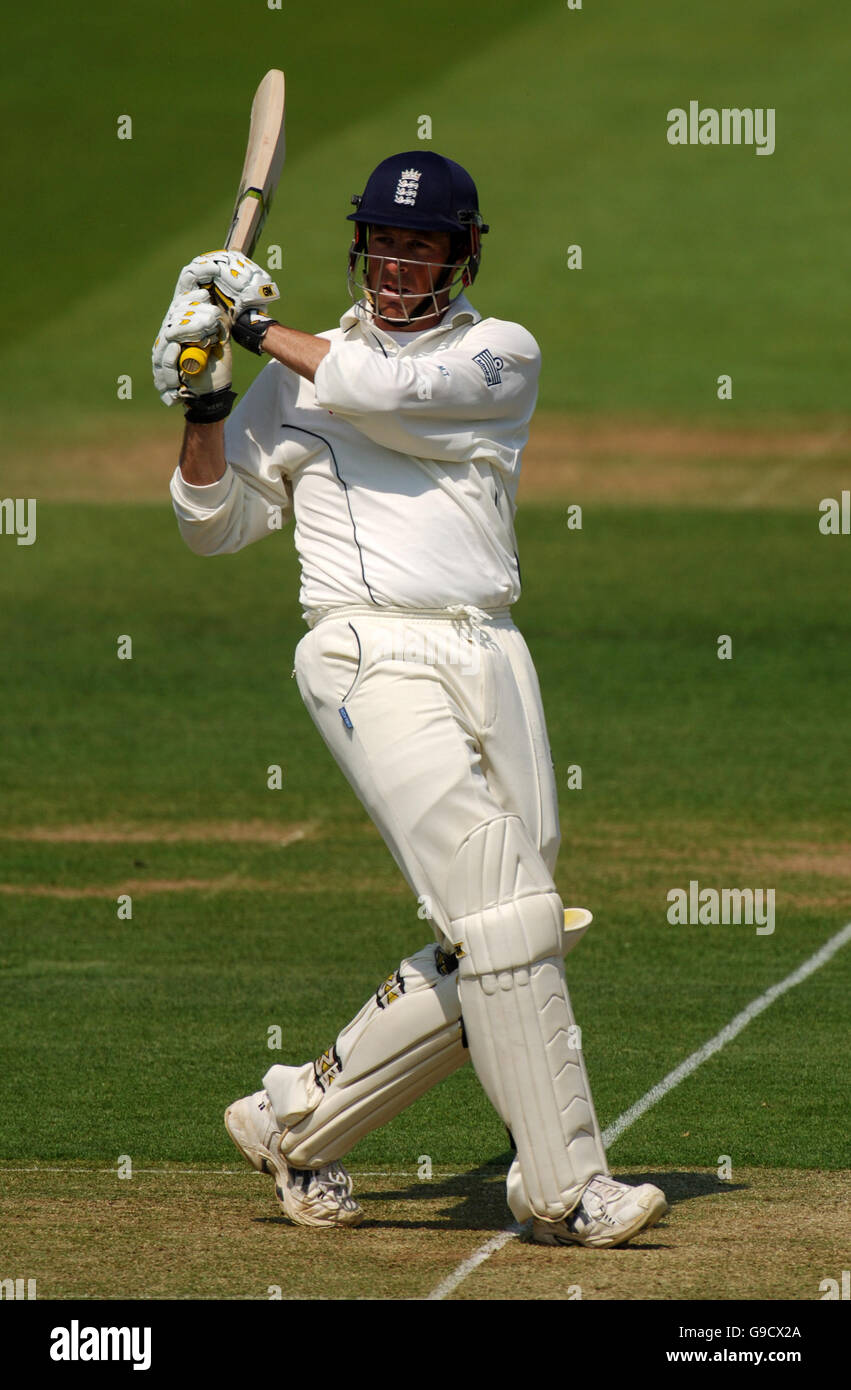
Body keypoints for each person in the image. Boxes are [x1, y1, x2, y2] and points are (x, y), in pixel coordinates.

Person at [152, 151, 667, 1247]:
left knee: (522, 927)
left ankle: (296, 1118)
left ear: (464, 251)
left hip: (488, 650)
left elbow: (381, 390)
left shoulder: (496, 355)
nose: (397, 266)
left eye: (421, 246)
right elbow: (216, 522)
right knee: (499, 910)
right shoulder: (296, 375)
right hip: (362, 652)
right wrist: (201, 400)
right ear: (358, 248)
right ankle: (565, 1188)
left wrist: (246, 332)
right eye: (383, 245)